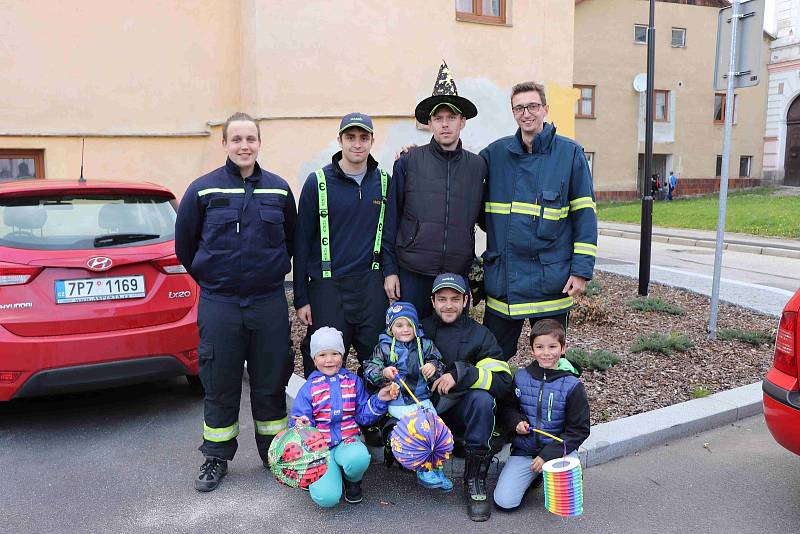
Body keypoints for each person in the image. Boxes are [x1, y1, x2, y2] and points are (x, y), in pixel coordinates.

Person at [175, 112, 297, 492]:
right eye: (237, 139)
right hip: (221, 302)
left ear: (259, 143)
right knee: (219, 379)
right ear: (225, 144)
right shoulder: (203, 190)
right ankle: (216, 455)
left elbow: (292, 240)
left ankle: (274, 453)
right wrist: (213, 280)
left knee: (271, 378)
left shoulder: (277, 190)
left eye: (251, 139)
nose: (245, 146)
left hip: (268, 301)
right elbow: (185, 246)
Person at [480, 81, 598, 358]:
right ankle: (499, 403)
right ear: (513, 113)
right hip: (504, 282)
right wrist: (415, 154)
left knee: (551, 361)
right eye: (519, 108)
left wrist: (581, 271)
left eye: (533, 106)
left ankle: (550, 402)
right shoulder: (495, 154)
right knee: (490, 360)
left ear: (545, 109)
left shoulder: (570, 154)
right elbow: (458, 169)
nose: (526, 113)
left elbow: (585, 216)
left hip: (550, 282)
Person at [382, 61, 486, 318]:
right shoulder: (409, 161)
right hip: (413, 272)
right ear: (429, 123)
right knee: (410, 342)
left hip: (455, 275)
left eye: (451, 117)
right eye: (438, 118)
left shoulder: (477, 167)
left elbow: (486, 218)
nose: (445, 124)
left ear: (463, 121)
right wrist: (390, 271)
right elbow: (390, 220)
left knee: (452, 348)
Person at [293, 113, 389, 377]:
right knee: (325, 366)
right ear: (340, 140)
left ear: (371, 141)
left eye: (363, 138)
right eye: (350, 137)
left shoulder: (383, 181)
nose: (357, 144)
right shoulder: (318, 183)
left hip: (371, 287)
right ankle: (323, 418)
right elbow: (301, 243)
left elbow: (390, 236)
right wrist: (301, 297)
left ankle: (374, 418)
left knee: (379, 366)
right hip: (327, 289)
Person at [421, 273, 512, 522]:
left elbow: (503, 382)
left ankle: (474, 482)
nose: (448, 305)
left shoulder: (480, 335)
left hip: (465, 415)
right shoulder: (419, 330)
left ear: (466, 301)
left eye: (454, 299)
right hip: (428, 414)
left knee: (482, 400)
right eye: (442, 299)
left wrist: (463, 373)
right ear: (432, 301)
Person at [290, 327, 397, 507]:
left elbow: (363, 416)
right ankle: (324, 476)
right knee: (327, 498)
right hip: (321, 449)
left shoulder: (353, 382)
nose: (329, 360)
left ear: (342, 355)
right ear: (314, 359)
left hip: (347, 441)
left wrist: (379, 399)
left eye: (335, 353)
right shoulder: (309, 388)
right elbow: (298, 420)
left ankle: (352, 480)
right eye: (322, 355)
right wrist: (302, 425)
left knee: (358, 457)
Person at [493, 319, 590, 510]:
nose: (546, 353)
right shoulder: (520, 377)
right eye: (540, 347)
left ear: (563, 348)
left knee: (564, 504)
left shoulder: (573, 386)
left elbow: (579, 430)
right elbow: (507, 408)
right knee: (505, 502)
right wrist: (516, 423)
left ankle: (564, 466)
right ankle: (535, 476)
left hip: (559, 450)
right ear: (532, 349)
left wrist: (548, 455)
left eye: (552, 346)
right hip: (526, 451)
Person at [363, 302, 452, 491]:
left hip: (421, 397)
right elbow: (370, 369)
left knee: (435, 430)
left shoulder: (425, 344)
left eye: (409, 325)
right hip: (398, 400)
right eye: (399, 325)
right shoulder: (384, 347)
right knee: (417, 429)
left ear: (416, 325)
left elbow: (439, 362)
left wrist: (433, 368)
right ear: (390, 328)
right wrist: (384, 372)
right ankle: (422, 468)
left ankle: (437, 467)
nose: (405, 330)